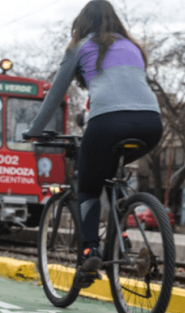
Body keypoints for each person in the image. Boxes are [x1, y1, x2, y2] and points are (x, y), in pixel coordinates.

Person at [23, 0, 163, 277]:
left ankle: (90, 252)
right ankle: (120, 232)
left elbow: (55, 95)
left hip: (107, 123)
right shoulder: (133, 47)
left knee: (88, 186)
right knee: (110, 173)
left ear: (81, 24)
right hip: (151, 123)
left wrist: (33, 131)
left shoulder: (80, 47)